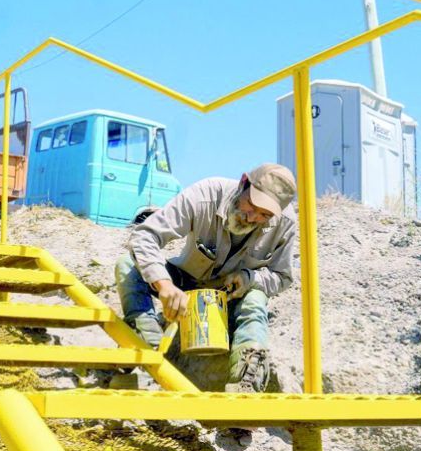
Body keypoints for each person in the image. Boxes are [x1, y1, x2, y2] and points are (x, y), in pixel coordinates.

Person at [116, 163, 297, 392]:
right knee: (127, 265)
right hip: (185, 285)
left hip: (231, 297)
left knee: (255, 298)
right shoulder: (206, 194)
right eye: (251, 205)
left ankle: (247, 380)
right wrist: (164, 285)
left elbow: (282, 276)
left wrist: (248, 278)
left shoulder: (285, 223)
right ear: (243, 183)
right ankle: (145, 341)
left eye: (265, 215)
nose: (253, 217)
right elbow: (145, 236)